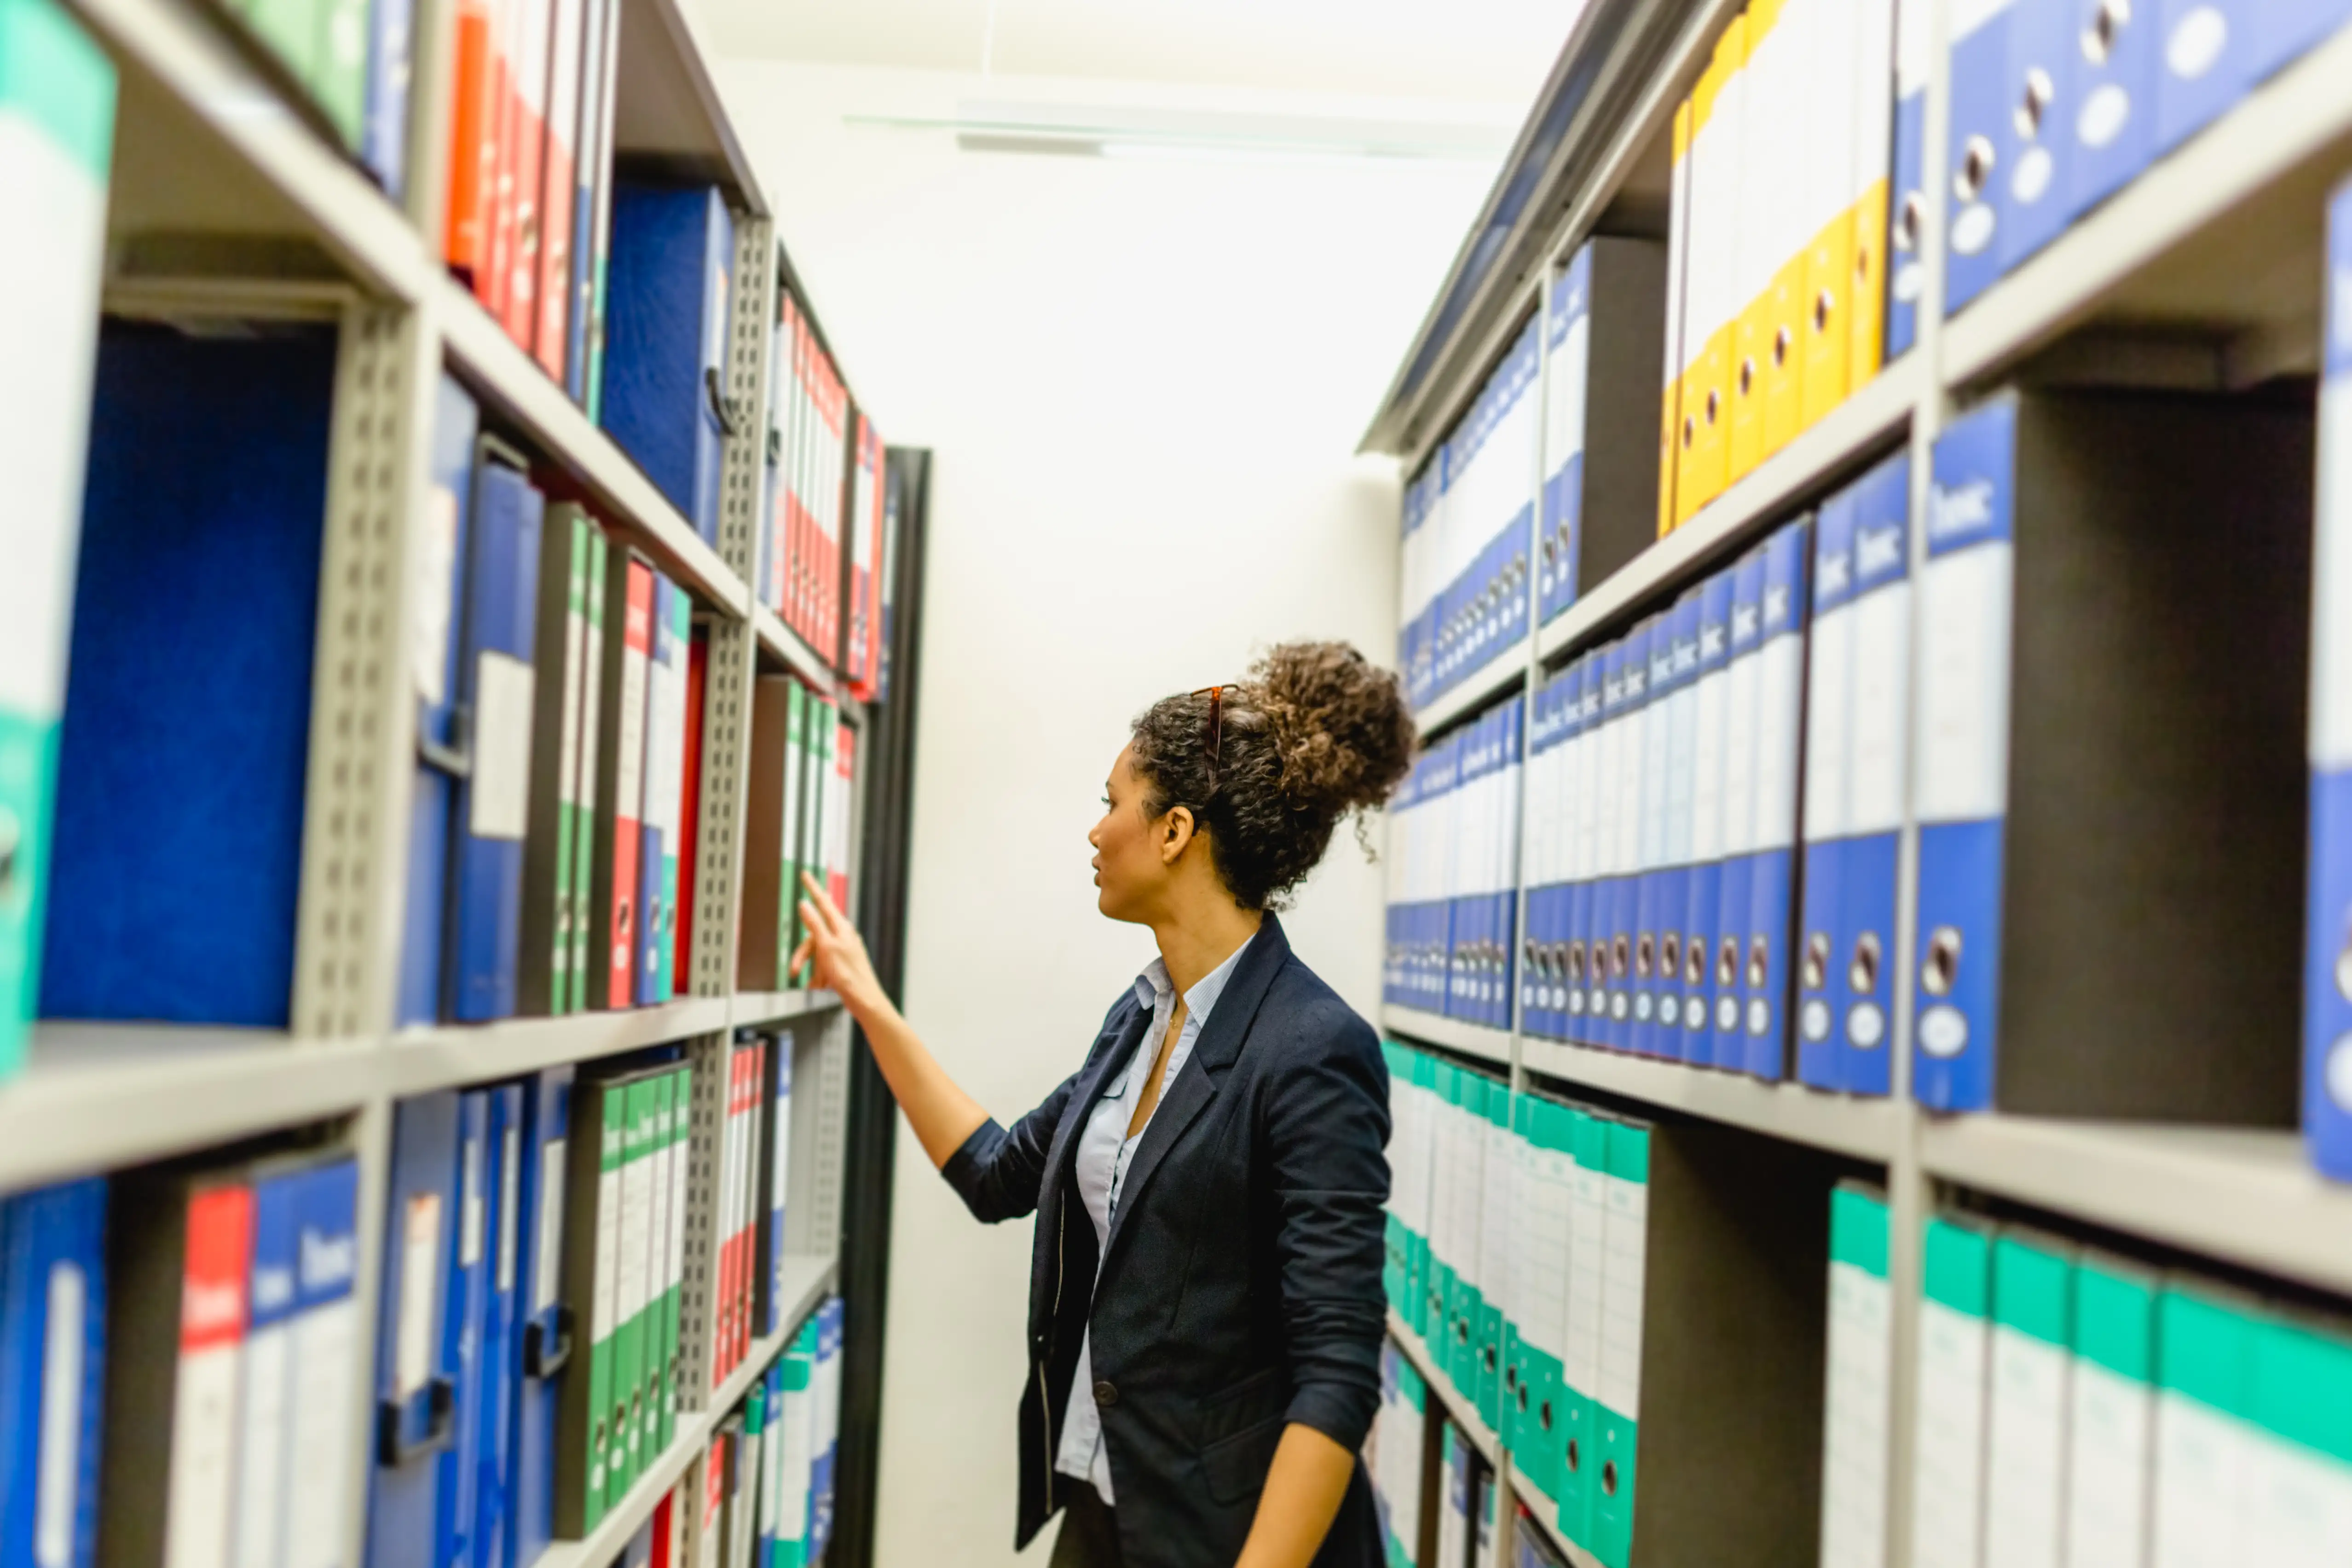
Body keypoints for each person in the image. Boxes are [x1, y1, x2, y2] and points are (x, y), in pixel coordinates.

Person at [790, 640, 1415, 1568]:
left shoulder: (1313, 1048)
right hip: (1104, 1509)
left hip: (1226, 1536)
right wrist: (867, 1000)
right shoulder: (1140, 1015)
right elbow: (998, 1173)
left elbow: (1334, 1378)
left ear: (1172, 830)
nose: (1095, 831)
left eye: (1111, 802)